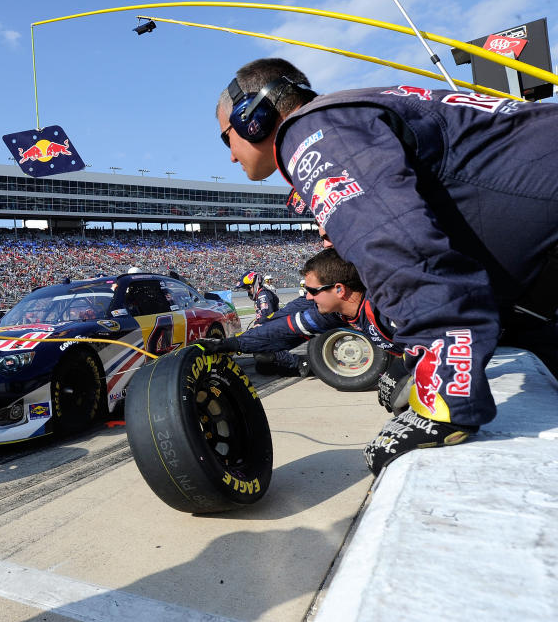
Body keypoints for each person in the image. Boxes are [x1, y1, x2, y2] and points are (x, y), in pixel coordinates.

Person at [215, 57, 558, 474]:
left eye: (224, 138)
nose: (231, 157)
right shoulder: (351, 112)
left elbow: (395, 240)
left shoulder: (309, 133)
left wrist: (443, 386)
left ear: (253, 118)